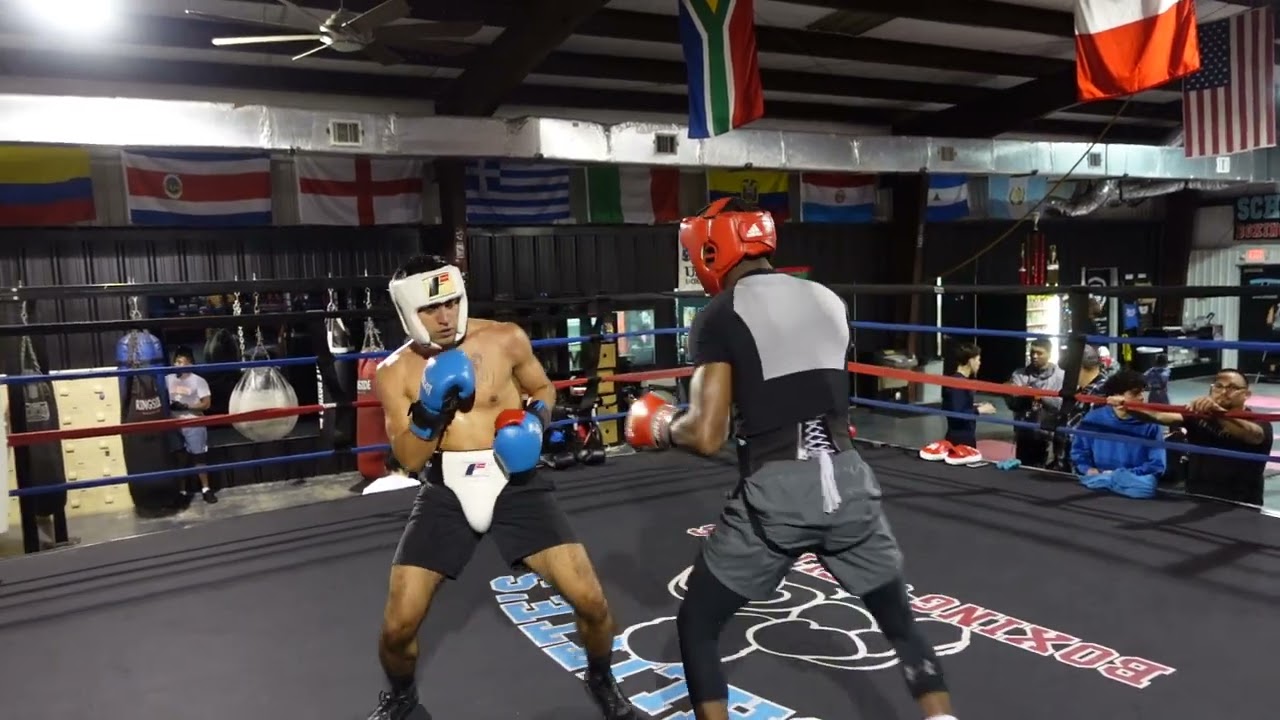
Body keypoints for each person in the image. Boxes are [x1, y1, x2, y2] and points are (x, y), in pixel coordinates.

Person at [624, 198, 958, 720]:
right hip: (849, 482)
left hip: (777, 494)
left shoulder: (720, 314)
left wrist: (661, 424)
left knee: (698, 624)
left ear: (714, 250)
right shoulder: (827, 299)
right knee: (899, 624)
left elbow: (708, 434)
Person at [367, 255, 638, 720]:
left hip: (517, 481)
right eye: (433, 309)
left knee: (592, 603)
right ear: (409, 313)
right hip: (445, 489)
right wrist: (431, 411)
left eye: (452, 302)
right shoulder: (393, 373)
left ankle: (600, 676)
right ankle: (401, 696)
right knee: (397, 628)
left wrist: (534, 422)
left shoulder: (505, 338)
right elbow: (408, 460)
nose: (446, 316)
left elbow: (543, 390)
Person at [1116, 368, 1272, 506]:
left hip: (1240, 505)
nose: (1224, 392)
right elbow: (1158, 415)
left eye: (1232, 388)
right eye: (1218, 386)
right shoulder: (1198, 415)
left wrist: (1218, 413)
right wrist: (1127, 405)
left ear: (1246, 394)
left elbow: (1253, 435)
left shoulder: (1258, 421)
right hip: (1197, 496)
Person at [1069, 370, 1165, 497]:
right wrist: (1087, 469)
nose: (1142, 397)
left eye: (1143, 392)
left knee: (1146, 486)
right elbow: (1079, 451)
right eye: (1135, 393)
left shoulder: (1151, 425)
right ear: (1116, 396)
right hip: (1098, 485)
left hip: (1133, 485)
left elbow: (1157, 465)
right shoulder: (1093, 419)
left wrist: (1119, 476)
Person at [165, 346, 216, 504]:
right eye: (176, 361)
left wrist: (187, 407)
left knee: (198, 456)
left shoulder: (198, 381)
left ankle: (206, 489)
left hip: (193, 422)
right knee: (179, 458)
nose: (177, 364)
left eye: (181, 361)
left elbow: (206, 404)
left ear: (189, 363)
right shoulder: (167, 379)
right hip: (175, 423)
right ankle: (182, 491)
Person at [1005, 338, 1064, 468]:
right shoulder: (1020, 374)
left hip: (1047, 433)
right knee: (1023, 469)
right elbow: (1012, 403)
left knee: (1044, 470)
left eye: (1039, 353)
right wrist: (1015, 394)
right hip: (1024, 432)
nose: (1034, 356)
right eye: (1032, 352)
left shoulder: (1059, 376)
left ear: (1049, 354)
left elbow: (1060, 405)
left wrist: (1039, 395)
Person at [940, 342, 995, 451]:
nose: (980, 363)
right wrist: (979, 410)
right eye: (978, 359)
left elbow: (954, 405)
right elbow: (957, 414)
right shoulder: (958, 383)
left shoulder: (957, 381)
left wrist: (973, 405)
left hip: (962, 436)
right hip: (961, 439)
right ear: (971, 361)